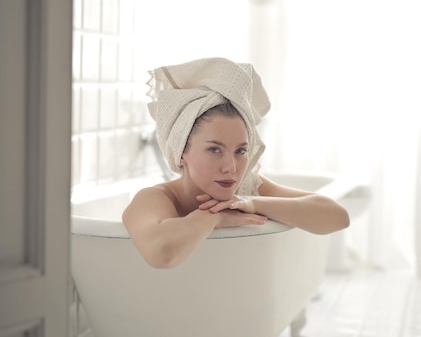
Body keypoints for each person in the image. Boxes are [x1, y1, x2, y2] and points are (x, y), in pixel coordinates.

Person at [122, 57, 350, 269]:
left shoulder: (248, 189)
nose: (231, 167)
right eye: (214, 149)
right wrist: (215, 216)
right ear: (182, 152)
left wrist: (251, 202)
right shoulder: (155, 198)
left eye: (241, 150)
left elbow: (337, 217)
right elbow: (162, 253)